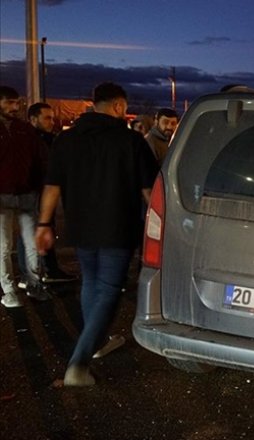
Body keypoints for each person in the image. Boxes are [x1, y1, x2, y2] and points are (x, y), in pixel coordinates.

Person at [35, 82, 159, 386]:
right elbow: (149, 191)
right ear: (118, 106)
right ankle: (79, 363)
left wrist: (44, 224)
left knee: (91, 282)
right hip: (117, 227)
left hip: (80, 227)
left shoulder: (66, 139)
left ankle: (97, 341)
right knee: (108, 290)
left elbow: (52, 185)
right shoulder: (131, 141)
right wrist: (162, 225)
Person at [0, 86, 49, 308]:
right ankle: (9, 290)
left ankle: (34, 284)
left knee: (32, 243)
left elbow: (38, 159)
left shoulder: (24, 129)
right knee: (3, 246)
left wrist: (38, 186)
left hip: (26, 194)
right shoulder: (20, 129)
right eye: (9, 102)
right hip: (2, 196)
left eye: (16, 102)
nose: (14, 107)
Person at [27, 103, 77, 283]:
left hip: (44, 190)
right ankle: (39, 272)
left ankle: (48, 269)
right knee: (35, 231)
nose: (51, 122)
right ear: (34, 119)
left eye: (52, 118)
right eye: (47, 118)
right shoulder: (31, 140)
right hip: (34, 192)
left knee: (46, 228)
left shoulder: (49, 139)